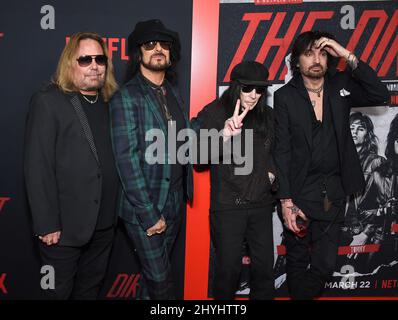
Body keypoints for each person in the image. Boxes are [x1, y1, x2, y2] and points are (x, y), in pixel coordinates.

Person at [273, 30, 389, 299]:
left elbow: (379, 93)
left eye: (322, 53)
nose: (316, 59)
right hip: (299, 194)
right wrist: (286, 202)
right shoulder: (285, 97)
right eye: (309, 53)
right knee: (297, 264)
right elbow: (282, 150)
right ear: (296, 61)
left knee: (324, 266)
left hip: (332, 195)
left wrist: (346, 55)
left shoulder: (340, 86)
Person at [24, 32, 119, 299]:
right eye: (85, 59)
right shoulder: (49, 101)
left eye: (100, 59)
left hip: (103, 224)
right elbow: (37, 166)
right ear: (69, 63)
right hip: (62, 229)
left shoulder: (110, 102)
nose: (94, 65)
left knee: (90, 292)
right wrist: (46, 224)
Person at [109, 19, 193, 300]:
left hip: (173, 203)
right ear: (138, 52)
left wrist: (224, 135)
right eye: (150, 44)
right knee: (161, 283)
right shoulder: (127, 97)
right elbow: (127, 161)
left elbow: (184, 142)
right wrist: (148, 214)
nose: (158, 49)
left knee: (152, 282)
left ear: (171, 53)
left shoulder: (173, 93)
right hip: (145, 208)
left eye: (164, 45)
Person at [191, 61, 277, 299]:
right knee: (228, 271)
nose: (253, 95)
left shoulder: (268, 115)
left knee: (264, 272)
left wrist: (271, 175)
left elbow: (279, 153)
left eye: (260, 90)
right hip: (228, 206)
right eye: (248, 88)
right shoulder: (215, 112)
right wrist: (224, 135)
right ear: (236, 87)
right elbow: (197, 158)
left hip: (261, 204)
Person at [342, 112, 385, 262]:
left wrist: (365, 234)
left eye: (360, 128)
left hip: (361, 233)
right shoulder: (334, 159)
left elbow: (386, 205)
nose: (354, 131)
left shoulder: (377, 162)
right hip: (336, 232)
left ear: (367, 135)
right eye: (351, 127)